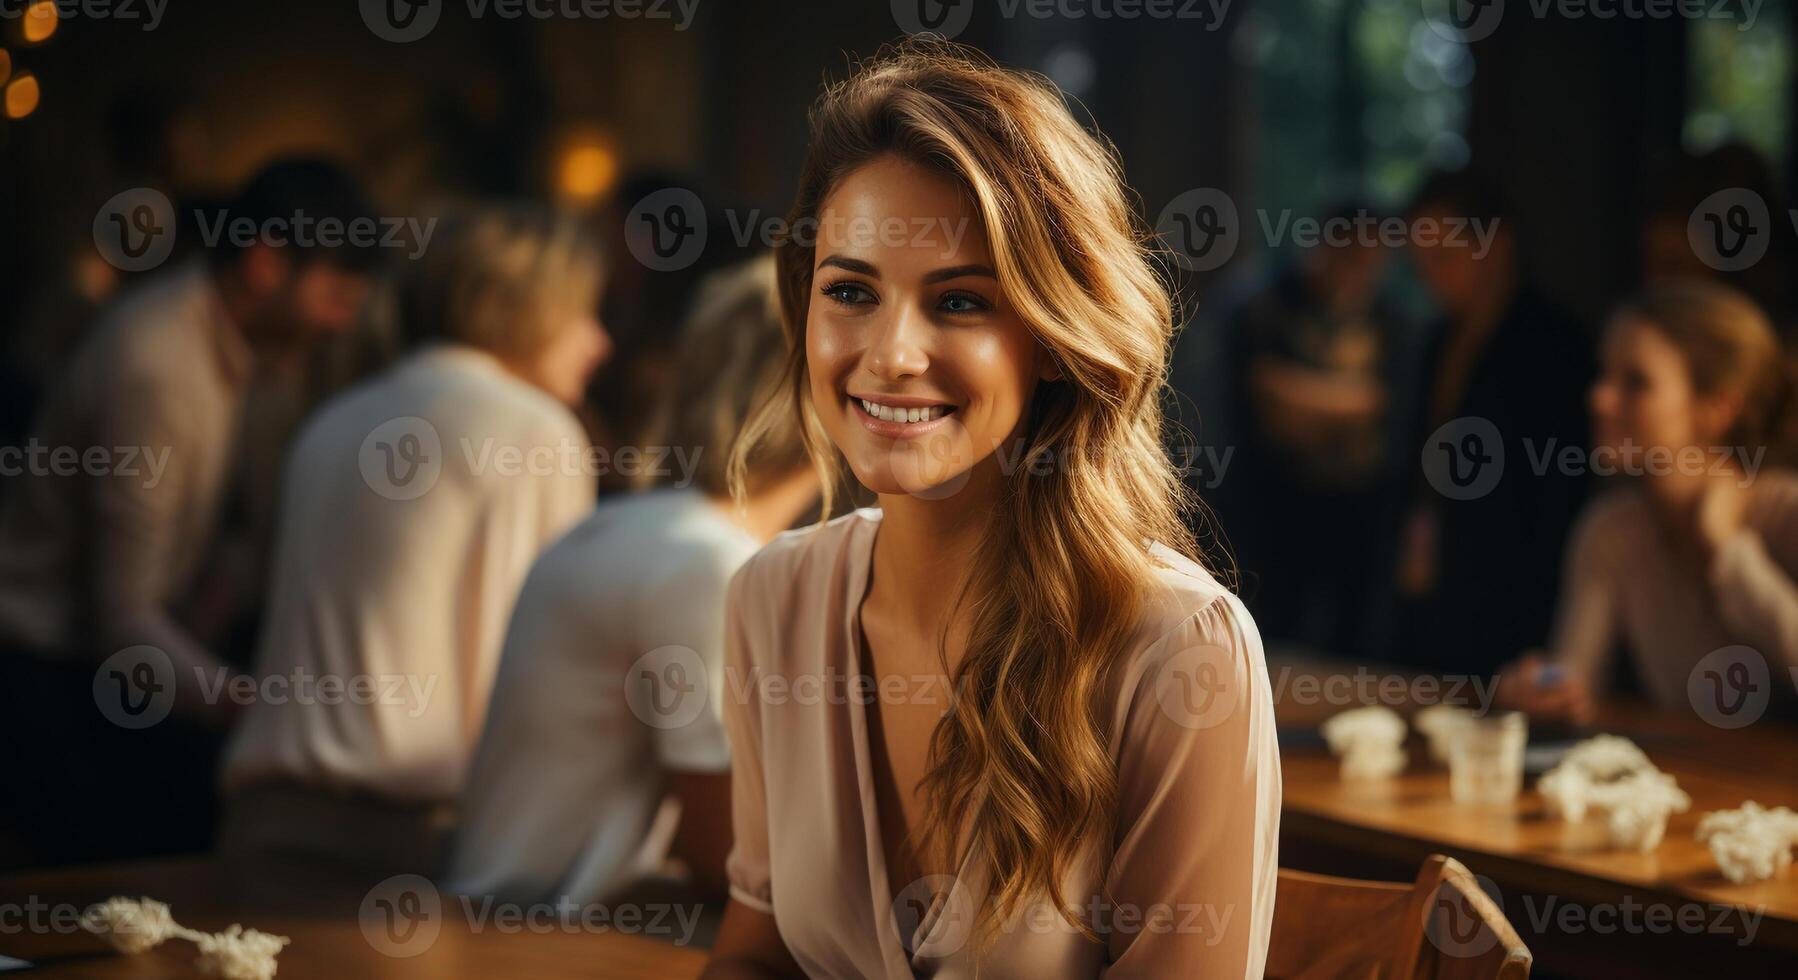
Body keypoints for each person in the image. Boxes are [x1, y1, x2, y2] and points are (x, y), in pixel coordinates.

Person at [702, 42, 1280, 978]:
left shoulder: (1182, 650)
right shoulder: (773, 602)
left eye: (960, 301)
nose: (891, 354)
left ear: (1053, 338)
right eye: (850, 290)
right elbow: (756, 957)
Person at [0, 158, 379, 866]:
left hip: (131, 654)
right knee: (136, 877)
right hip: (40, 658)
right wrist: (257, 706)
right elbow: (120, 619)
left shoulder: (266, 352)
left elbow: (246, 529)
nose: (345, 319)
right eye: (336, 294)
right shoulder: (157, 362)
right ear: (266, 264)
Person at [218, 205, 609, 875]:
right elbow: (540, 669)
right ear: (531, 307)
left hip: (263, 828)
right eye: (582, 312)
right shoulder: (535, 432)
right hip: (415, 850)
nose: (598, 342)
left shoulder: (329, 422)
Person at [447, 256, 818, 904]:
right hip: (540, 948)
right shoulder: (709, 565)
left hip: (496, 918)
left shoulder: (620, 528)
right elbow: (729, 860)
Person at [1500, 283, 1798, 721]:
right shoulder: (1611, 531)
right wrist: (1537, 688)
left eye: (1635, 382)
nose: (1599, 398)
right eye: (1604, 374)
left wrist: (1726, 546)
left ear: (1716, 409)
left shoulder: (1785, 511)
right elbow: (1575, 682)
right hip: (1703, 785)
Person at [1395, 170, 1595, 679]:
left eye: (1444, 257)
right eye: (1421, 264)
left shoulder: (1554, 345)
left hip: (1519, 590)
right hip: (1440, 580)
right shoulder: (1437, 339)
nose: (1431, 278)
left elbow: (1556, 495)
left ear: (1496, 242)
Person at [1220, 206, 1402, 658]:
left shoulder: (1390, 316)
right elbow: (1271, 399)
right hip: (1276, 502)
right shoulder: (1269, 304)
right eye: (1353, 253)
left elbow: (1384, 400)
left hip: (1360, 505)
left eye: (1374, 258)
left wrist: (1308, 397)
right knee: (1272, 629)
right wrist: (1352, 401)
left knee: (1355, 636)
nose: (1363, 269)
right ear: (1325, 247)